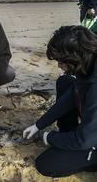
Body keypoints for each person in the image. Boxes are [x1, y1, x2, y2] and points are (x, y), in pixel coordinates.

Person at [23, 26, 97, 177]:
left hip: (89, 139)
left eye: (61, 62)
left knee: (46, 164)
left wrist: (49, 138)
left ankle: (91, 160)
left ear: (75, 58)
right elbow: (72, 94)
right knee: (65, 81)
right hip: (89, 128)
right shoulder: (89, 61)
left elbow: (84, 140)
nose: (58, 66)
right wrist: (39, 125)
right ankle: (68, 135)